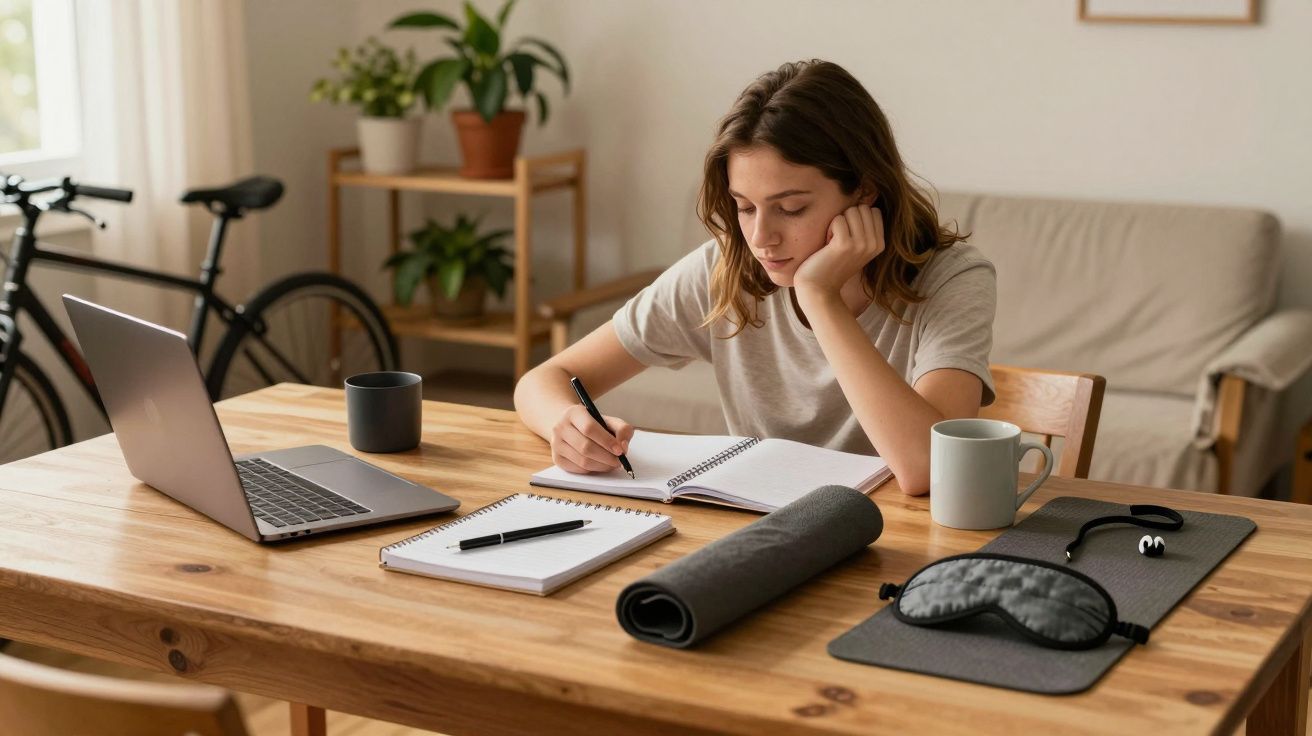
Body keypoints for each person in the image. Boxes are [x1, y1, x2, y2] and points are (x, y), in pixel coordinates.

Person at [513, 59, 996, 495]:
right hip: (764, 533)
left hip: (893, 543)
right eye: (744, 207)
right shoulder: (728, 269)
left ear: (865, 190)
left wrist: (819, 297)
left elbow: (930, 469)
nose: (761, 237)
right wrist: (567, 425)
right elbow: (542, 380)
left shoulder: (953, 279)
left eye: (790, 208)